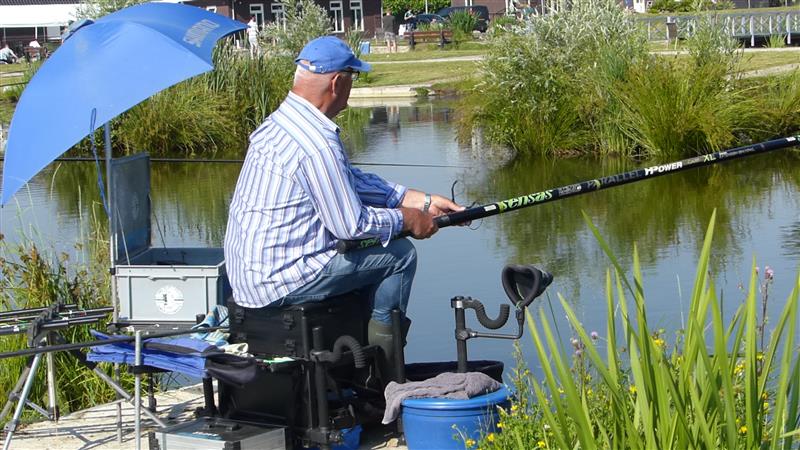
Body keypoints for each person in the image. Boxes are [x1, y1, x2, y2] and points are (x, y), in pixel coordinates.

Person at [224, 36, 463, 378]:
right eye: (354, 77)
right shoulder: (317, 143)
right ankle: (385, 372)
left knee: (371, 247)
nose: (352, 87)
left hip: (250, 279)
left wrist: (420, 200)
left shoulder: (280, 123)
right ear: (337, 82)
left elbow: (347, 180)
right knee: (400, 256)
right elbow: (351, 225)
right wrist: (408, 219)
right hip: (280, 281)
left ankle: (360, 353)